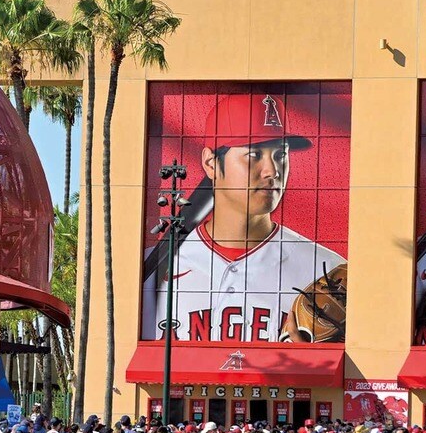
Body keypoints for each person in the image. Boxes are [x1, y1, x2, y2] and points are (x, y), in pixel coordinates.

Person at [143, 93, 346, 343]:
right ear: (210, 163)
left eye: (280, 155)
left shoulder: (328, 272)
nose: (272, 171)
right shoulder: (150, 270)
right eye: (254, 155)